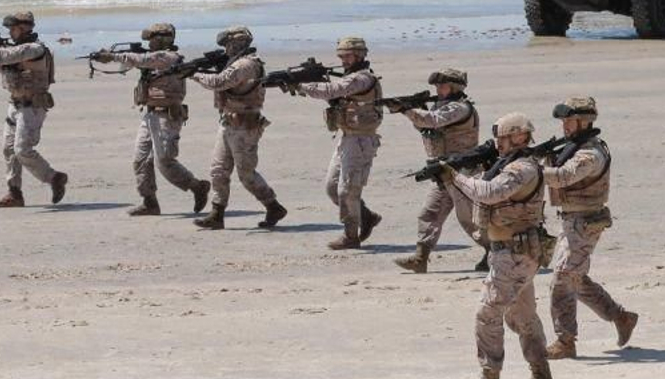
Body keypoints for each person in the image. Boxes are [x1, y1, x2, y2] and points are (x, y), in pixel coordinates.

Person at [440, 112, 556, 379]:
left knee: (488, 314)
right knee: (523, 316)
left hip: (515, 253)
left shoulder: (523, 169)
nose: (497, 143)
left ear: (518, 137)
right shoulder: (508, 165)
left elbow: (490, 193)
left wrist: (455, 178)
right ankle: (542, 377)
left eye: (503, 138)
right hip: (510, 251)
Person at [541, 96, 639, 359]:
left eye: (570, 121)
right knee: (575, 278)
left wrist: (528, 171)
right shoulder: (573, 147)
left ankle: (565, 340)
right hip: (572, 220)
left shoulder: (590, 153)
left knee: (562, 279)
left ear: (584, 121)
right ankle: (620, 317)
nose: (565, 126)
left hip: (585, 222)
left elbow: (562, 177)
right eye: (563, 121)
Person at [92, 22, 210, 217]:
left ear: (164, 38)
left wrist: (112, 56)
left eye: (152, 39)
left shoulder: (168, 57)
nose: (150, 43)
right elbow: (136, 62)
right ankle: (149, 202)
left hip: (167, 115)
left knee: (165, 161)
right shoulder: (153, 59)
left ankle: (197, 186)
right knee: (140, 160)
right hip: (151, 114)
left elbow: (144, 59)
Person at [287, 36, 383, 249]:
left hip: (361, 140)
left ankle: (351, 236)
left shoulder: (362, 78)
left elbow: (332, 90)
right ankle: (367, 216)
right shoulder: (348, 77)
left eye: (347, 56)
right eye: (341, 56)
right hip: (347, 137)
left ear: (359, 55)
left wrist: (301, 85)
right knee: (332, 188)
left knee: (346, 190)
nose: (343, 60)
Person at [190, 26, 286, 231]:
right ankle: (217, 214)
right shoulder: (234, 63)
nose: (226, 50)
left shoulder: (245, 65)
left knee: (246, 174)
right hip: (228, 122)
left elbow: (219, 82)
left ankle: (273, 206)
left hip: (245, 125)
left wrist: (195, 75)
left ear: (237, 44)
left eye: (228, 45)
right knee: (218, 170)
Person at [392, 68, 487, 273]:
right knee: (429, 214)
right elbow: (426, 126)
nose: (438, 90)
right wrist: (414, 110)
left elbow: (432, 120)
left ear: (455, 87)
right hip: (442, 171)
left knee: (470, 221)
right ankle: (420, 258)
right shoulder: (441, 107)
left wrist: (406, 109)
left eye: (442, 86)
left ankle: (495, 252)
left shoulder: (460, 108)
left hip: (462, 173)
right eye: (436, 86)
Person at [0, 11, 67, 208]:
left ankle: (54, 178)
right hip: (15, 103)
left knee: (22, 150)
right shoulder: (15, 49)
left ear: (25, 28)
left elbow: (9, 55)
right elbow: (5, 62)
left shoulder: (35, 49)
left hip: (32, 106)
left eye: (13, 28)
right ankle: (14, 193)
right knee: (9, 149)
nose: (10, 32)